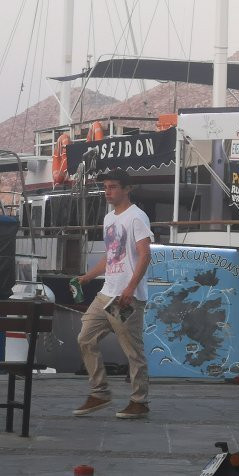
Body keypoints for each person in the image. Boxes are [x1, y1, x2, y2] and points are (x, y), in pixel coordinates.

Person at [73, 169, 153, 419]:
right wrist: (88, 276)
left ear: (127, 189)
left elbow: (145, 254)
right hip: (106, 292)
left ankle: (139, 401)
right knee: (85, 337)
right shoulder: (109, 219)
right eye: (106, 187)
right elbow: (110, 256)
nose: (108, 191)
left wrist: (130, 288)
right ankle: (100, 392)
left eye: (114, 186)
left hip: (125, 296)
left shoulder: (137, 217)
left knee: (132, 350)